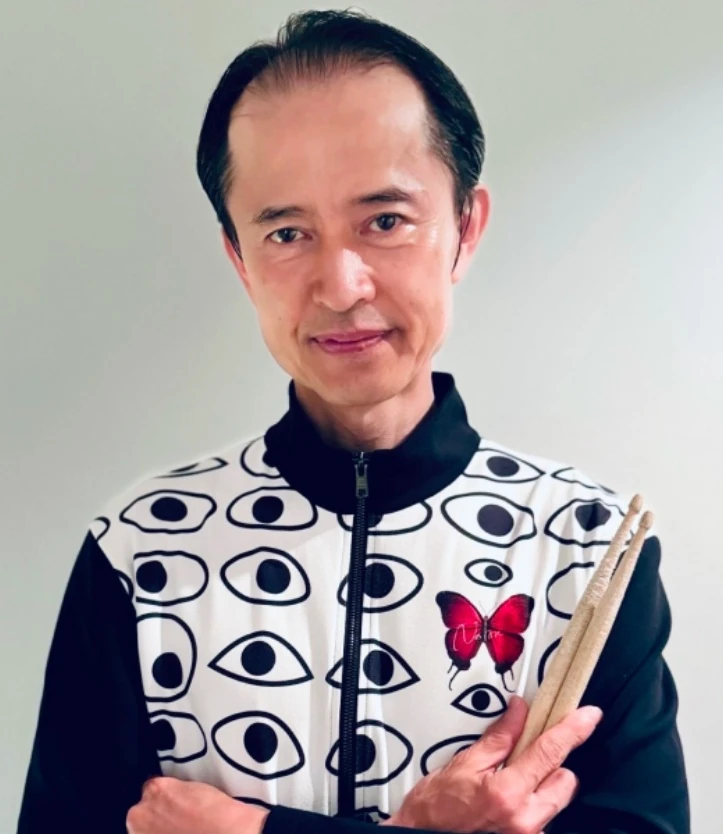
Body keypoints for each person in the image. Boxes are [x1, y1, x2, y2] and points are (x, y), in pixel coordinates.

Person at [17, 9, 689, 834]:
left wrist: (258, 831)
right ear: (239, 259)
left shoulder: (588, 547)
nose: (340, 286)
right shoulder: (142, 546)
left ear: (465, 228)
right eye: (286, 232)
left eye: (385, 221)